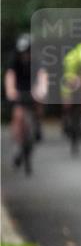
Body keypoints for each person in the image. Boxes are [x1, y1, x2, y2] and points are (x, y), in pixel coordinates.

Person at [4, 34, 48, 167]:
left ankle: (38, 124)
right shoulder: (14, 59)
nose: (25, 55)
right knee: (18, 115)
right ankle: (17, 145)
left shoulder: (37, 59)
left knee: (39, 102)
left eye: (27, 52)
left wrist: (41, 89)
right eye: (22, 52)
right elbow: (10, 75)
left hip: (33, 87)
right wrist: (10, 91)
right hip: (19, 89)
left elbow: (42, 75)